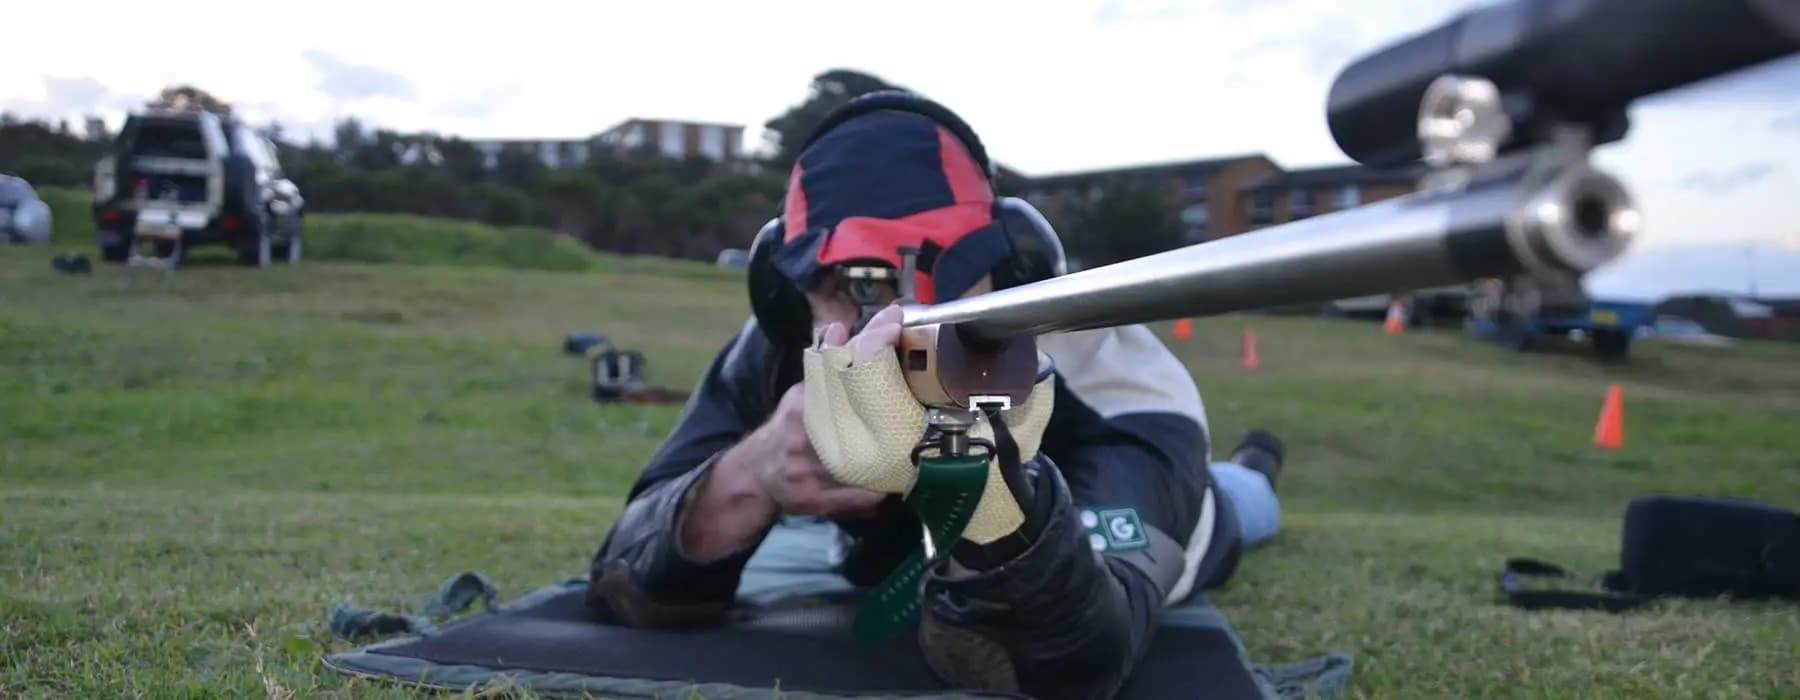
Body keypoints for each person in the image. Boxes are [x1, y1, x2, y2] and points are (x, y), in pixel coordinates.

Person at [585, 91, 1289, 700]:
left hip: (1186, 515)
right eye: (857, 286)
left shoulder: (1121, 383)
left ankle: (1256, 463)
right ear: (786, 290)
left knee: (1245, 501)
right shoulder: (779, 349)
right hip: (902, 556)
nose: (897, 322)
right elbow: (625, 569)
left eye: (941, 274)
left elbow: (1077, 652)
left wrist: (983, 480)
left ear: (1011, 265)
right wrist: (751, 472)